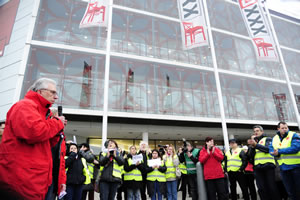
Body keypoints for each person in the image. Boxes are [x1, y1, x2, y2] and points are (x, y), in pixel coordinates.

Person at [0, 78, 66, 200]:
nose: (56, 97)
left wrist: (56, 131)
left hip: (34, 181)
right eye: (52, 92)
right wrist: (57, 123)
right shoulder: (24, 106)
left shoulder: (42, 112)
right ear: (40, 92)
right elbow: (34, 132)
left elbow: (48, 142)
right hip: (21, 182)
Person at [247, 125, 280, 200]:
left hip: (268, 166)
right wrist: (252, 147)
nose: (256, 132)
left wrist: (256, 145)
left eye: (257, 131)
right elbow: (251, 156)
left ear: (262, 131)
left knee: (272, 187)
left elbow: (268, 149)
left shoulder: (268, 139)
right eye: (254, 131)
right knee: (261, 188)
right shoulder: (254, 142)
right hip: (258, 167)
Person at [270, 121, 300, 200]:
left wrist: (279, 151)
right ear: (278, 129)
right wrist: (274, 153)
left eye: (286, 128)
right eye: (282, 128)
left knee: (298, 189)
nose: (285, 129)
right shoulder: (275, 138)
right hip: (283, 168)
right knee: (290, 190)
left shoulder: (293, 135)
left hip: (296, 167)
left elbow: (295, 148)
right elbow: (271, 149)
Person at [45, 108, 67, 200]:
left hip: (55, 179)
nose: (64, 121)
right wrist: (57, 125)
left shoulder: (61, 137)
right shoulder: (48, 134)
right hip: (45, 179)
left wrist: (62, 181)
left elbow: (61, 163)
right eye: (60, 118)